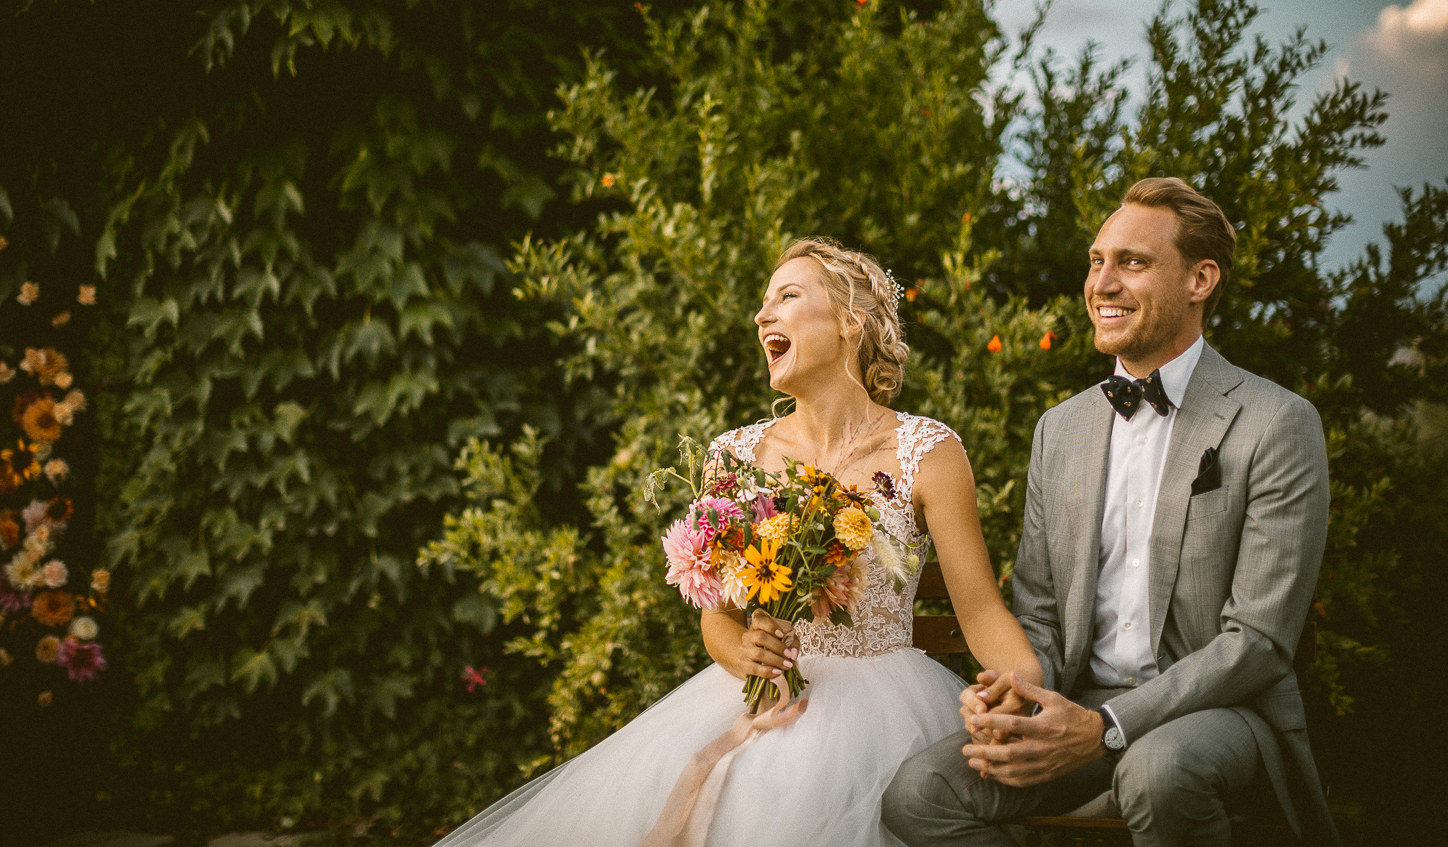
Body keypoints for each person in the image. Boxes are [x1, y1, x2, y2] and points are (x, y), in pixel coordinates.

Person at [434, 238, 1042, 846]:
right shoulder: (734, 456)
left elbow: (982, 610)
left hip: (884, 706)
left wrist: (1025, 686)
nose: (762, 315)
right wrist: (745, 654)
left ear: (851, 322)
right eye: (762, 302)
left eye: (788, 296)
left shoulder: (927, 453)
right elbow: (718, 620)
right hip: (762, 698)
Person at [882, 177, 1340, 847]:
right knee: (921, 795)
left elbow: (1258, 643)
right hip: (1073, 703)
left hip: (1220, 714)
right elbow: (1038, 610)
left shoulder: (1276, 422)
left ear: (1200, 279)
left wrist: (1104, 728)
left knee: (1158, 771)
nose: (1103, 283)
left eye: (1133, 262)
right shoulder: (1059, 430)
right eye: (1097, 262)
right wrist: (1013, 694)